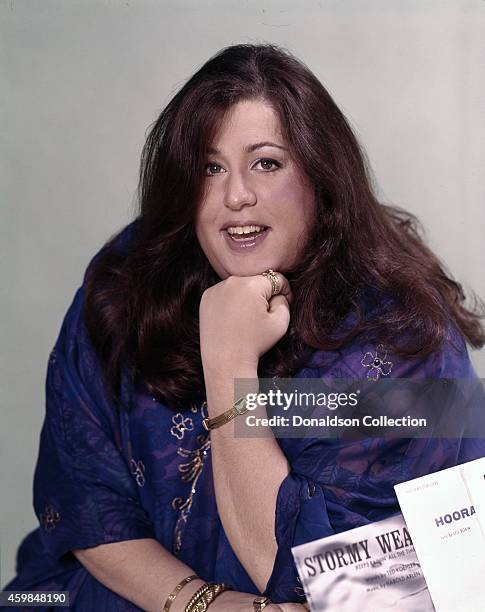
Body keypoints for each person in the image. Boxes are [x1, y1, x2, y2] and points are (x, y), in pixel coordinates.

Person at [2, 43, 484, 612]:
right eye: (210, 168)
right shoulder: (126, 284)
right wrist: (202, 603)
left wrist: (230, 362)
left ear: (320, 175)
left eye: (267, 163)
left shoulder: (406, 337)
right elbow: (84, 502)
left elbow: (326, 585)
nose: (236, 197)